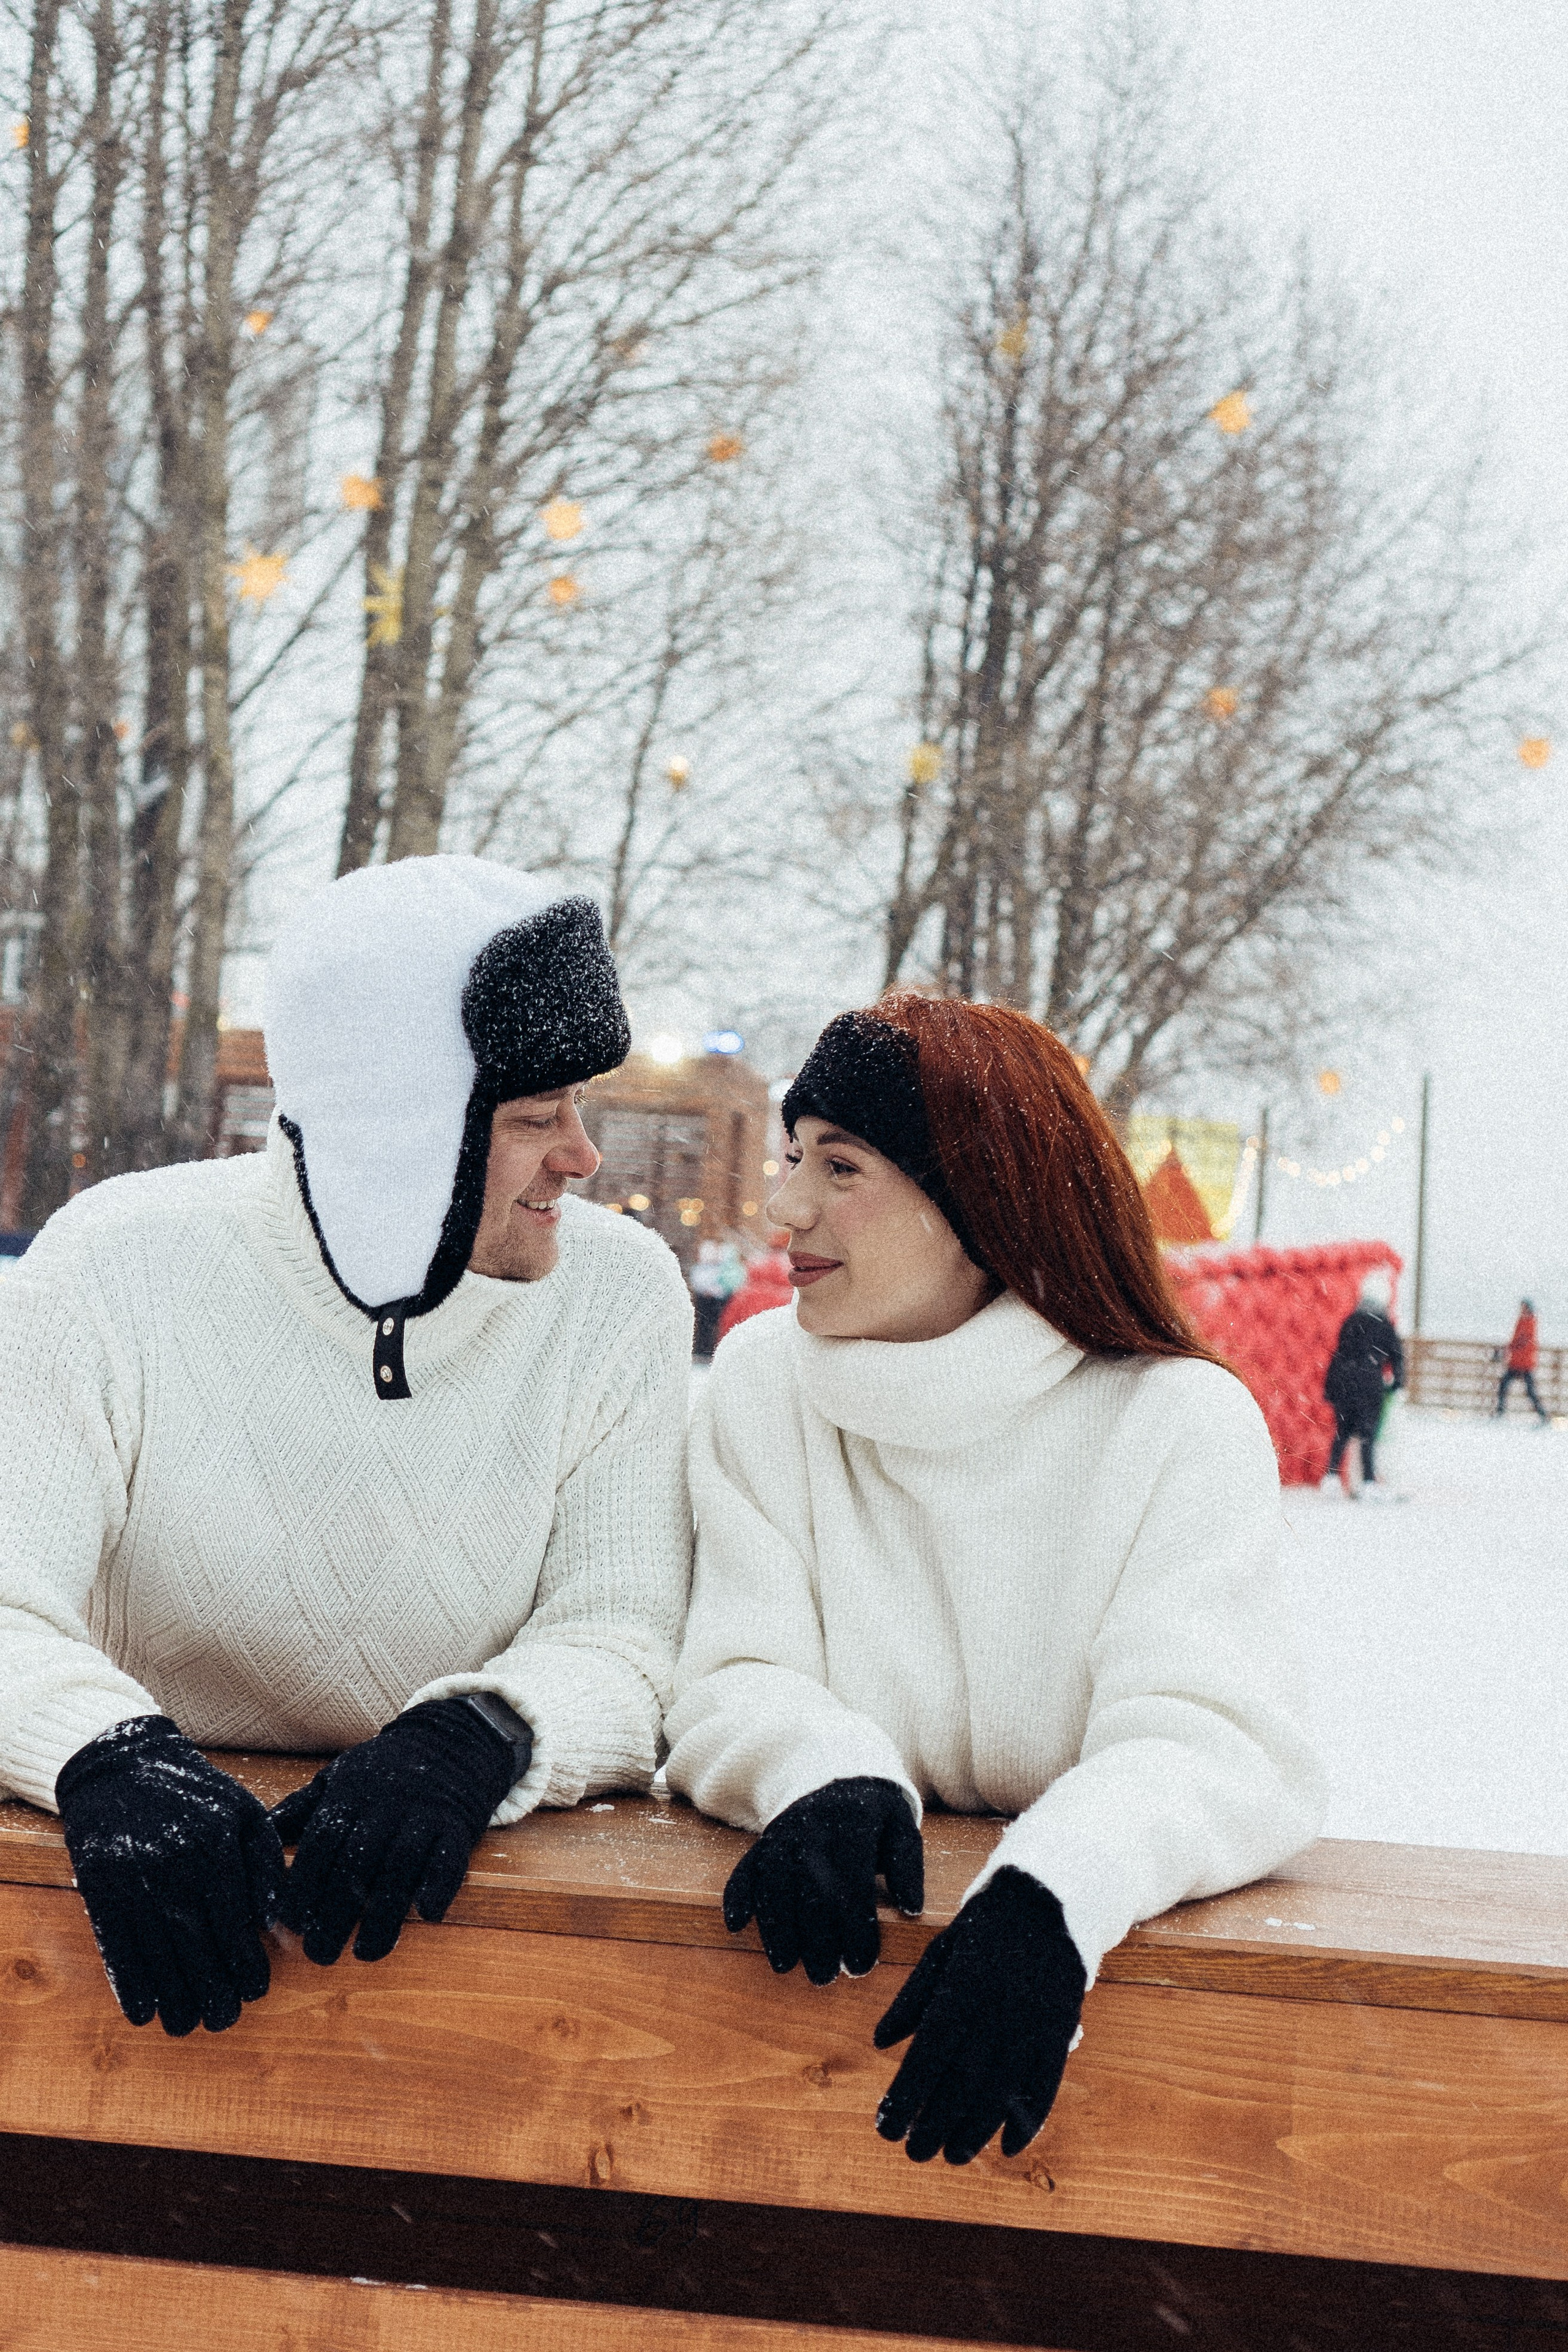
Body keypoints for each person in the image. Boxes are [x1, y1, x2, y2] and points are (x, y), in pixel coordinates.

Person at [0, 856, 692, 2038]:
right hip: (102, 1954)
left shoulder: (617, 1295)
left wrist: (488, 1730)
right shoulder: (115, 1264)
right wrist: (98, 1751)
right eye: (534, 1118)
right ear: (399, 1137)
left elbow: (628, 1630)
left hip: (474, 1979)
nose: (582, 1158)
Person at [666, 994, 1321, 2168]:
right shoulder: (763, 1386)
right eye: (790, 1154)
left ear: (981, 1207)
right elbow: (732, 1671)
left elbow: (1220, 1744)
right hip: (768, 2112)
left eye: (842, 1165)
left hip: (1124, 2134)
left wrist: (1054, 1894)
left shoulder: (1175, 1423)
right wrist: (820, 1774)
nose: (784, 1206)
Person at [1321, 1275, 1403, 1494]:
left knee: (1343, 1432)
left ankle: (1331, 1477)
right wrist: (1397, 1382)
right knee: (1367, 1435)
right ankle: (1367, 1481)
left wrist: (1330, 1387)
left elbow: (1338, 1354)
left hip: (1345, 1383)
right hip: (1369, 1385)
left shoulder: (1351, 1320)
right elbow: (1397, 1356)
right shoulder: (1384, 1324)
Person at [688, 1238, 744, 1362]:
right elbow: (698, 1281)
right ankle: (702, 1350)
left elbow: (731, 1283)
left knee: (717, 1325)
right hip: (706, 1300)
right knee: (704, 1326)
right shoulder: (702, 1269)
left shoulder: (729, 1269)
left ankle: (711, 1349)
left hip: (722, 1301)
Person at [1496, 1299, 1551, 1423]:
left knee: (1529, 1391)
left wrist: (1509, 1349)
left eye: (1524, 1307)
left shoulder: (1530, 1322)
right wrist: (1508, 1350)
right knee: (1504, 1386)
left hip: (1525, 1363)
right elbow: (1516, 1340)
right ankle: (1500, 1412)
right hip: (1516, 1362)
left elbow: (1523, 1341)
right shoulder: (1521, 1321)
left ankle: (1543, 1415)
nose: (1522, 1309)